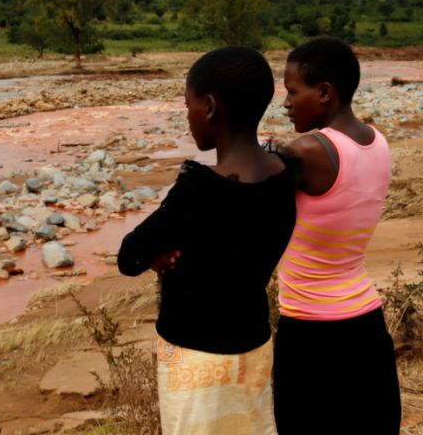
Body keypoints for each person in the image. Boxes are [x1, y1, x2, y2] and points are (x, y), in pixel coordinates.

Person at [118, 46, 296, 435]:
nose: (188, 116)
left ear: (210, 107)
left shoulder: (198, 189)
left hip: (196, 358)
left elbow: (129, 256)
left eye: (189, 105)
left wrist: (155, 255)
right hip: (253, 345)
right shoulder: (284, 177)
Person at [273, 36, 401, 434]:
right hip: (366, 324)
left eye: (293, 91)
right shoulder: (377, 142)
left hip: (311, 335)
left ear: (325, 92)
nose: (286, 103)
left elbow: (244, 193)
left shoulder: (310, 151)